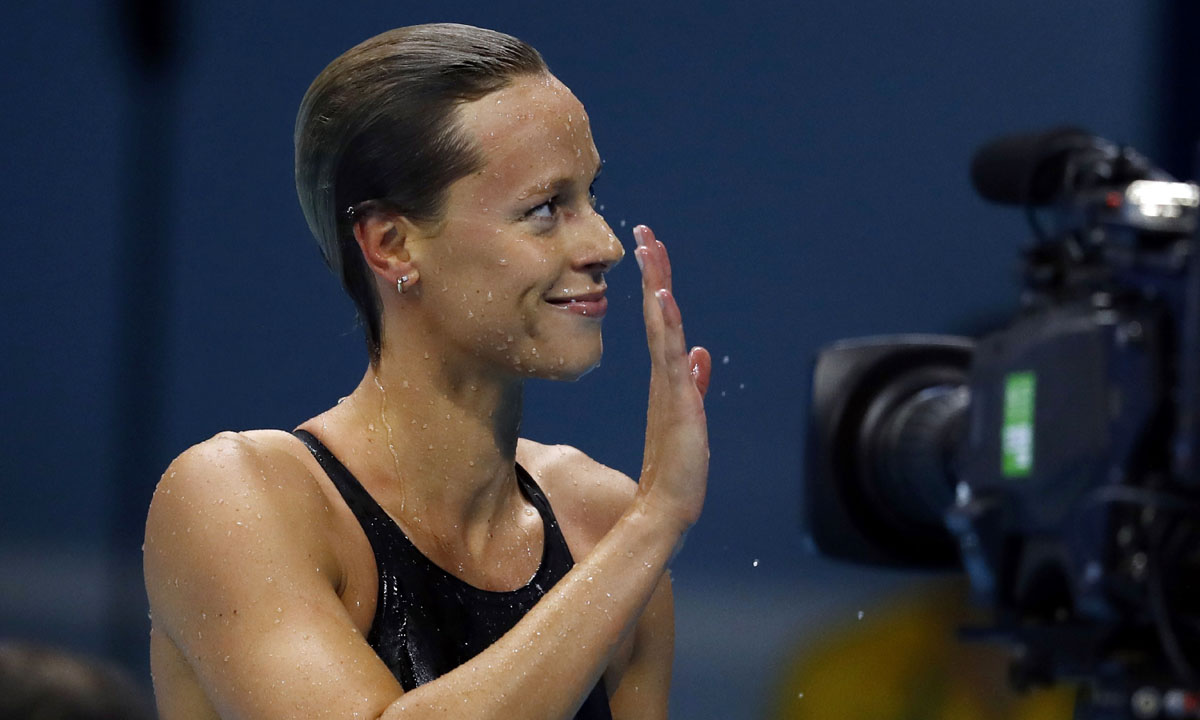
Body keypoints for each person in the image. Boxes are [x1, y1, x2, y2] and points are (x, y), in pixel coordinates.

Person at [143, 22, 712, 720]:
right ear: (392, 244)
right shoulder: (238, 501)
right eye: (544, 209)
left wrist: (641, 528)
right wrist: (654, 525)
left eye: (591, 196)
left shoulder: (602, 522)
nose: (602, 244)